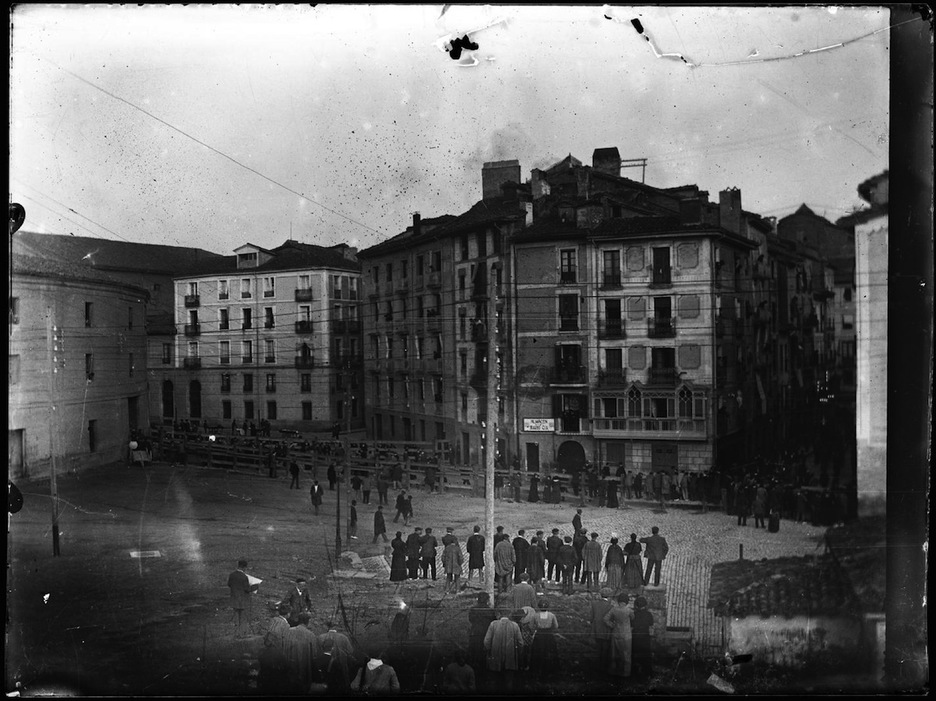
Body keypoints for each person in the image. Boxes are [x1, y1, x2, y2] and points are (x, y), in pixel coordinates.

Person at [284, 611, 322, 693]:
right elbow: (314, 657)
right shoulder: (311, 635)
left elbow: (283, 651)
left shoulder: (288, 632)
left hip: (289, 673)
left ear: (299, 620)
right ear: (307, 622)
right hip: (305, 675)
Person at [484, 612, 523, 691]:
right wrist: (519, 653)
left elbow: (487, 641)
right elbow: (521, 643)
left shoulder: (493, 624)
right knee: (509, 681)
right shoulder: (515, 625)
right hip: (510, 658)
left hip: (495, 657)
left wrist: (488, 652)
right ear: (509, 614)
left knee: (494, 681)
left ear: (499, 614)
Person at [259, 604, 292, 694]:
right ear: (288, 614)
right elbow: (285, 641)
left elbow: (267, 634)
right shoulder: (286, 625)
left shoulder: (274, 620)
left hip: (268, 649)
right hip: (277, 651)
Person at [603, 593, 634, 677]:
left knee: (614, 654)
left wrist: (612, 625)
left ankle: (613, 671)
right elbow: (633, 618)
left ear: (618, 601)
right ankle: (626, 673)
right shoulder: (629, 610)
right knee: (626, 654)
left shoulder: (614, 609)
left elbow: (605, 619)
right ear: (626, 601)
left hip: (615, 633)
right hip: (626, 635)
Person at [318, 626, 355, 694]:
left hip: (324, 669)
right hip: (341, 669)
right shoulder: (343, 637)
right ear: (337, 629)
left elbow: (317, 652)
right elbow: (351, 651)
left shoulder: (321, 637)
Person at [467, 592, 497, 672]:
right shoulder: (490, 610)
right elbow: (493, 621)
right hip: (486, 633)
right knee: (484, 654)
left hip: (475, 633)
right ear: (487, 600)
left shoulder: (473, 609)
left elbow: (471, 619)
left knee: (474, 653)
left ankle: (474, 669)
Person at [529, 599, 559, 675]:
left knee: (538, 652)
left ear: (539, 607)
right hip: (549, 635)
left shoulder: (535, 615)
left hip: (539, 635)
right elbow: (556, 626)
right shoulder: (551, 615)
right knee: (549, 651)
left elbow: (531, 626)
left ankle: (538, 670)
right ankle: (550, 670)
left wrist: (535, 630)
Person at [589, 588, 615, 671]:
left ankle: (598, 667)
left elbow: (591, 618)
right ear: (609, 596)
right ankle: (604, 667)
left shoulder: (594, 604)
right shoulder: (611, 605)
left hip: (597, 629)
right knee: (605, 649)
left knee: (598, 648)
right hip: (606, 630)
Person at [630, 596, 654, 681]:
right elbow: (651, 626)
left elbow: (631, 626)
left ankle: (634, 673)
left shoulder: (633, 614)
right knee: (646, 657)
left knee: (634, 656)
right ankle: (648, 673)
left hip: (635, 638)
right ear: (645, 605)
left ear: (636, 605)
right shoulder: (649, 614)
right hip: (645, 638)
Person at [227, 559, 252, 637]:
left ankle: (236, 633)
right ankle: (242, 634)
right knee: (243, 618)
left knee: (236, 618)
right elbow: (247, 589)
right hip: (242, 600)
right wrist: (254, 587)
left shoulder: (232, 575)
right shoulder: (244, 577)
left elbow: (229, 584)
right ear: (244, 567)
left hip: (234, 599)